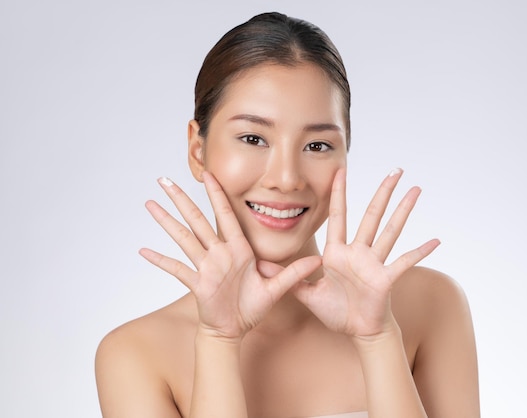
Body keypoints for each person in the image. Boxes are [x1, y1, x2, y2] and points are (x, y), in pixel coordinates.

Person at [95, 12, 479, 418]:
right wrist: (218, 340)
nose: (286, 179)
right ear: (197, 150)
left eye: (317, 146)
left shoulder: (431, 305)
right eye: (253, 138)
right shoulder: (135, 355)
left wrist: (377, 338)